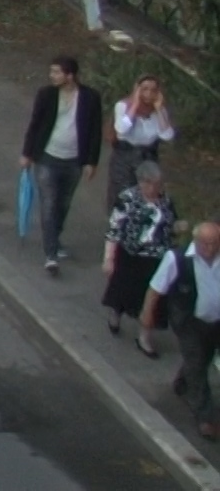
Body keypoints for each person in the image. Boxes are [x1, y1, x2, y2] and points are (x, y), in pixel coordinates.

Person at [18, 55, 104, 275]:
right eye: (52, 71)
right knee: (49, 203)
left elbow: (95, 131)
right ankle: (51, 254)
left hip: (73, 160)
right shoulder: (46, 95)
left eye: (57, 72)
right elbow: (35, 124)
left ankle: (55, 238)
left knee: (63, 204)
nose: (52, 76)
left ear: (70, 75)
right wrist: (27, 153)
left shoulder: (90, 98)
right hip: (48, 157)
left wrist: (91, 161)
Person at [142, 220, 220, 440]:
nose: (210, 249)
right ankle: (205, 416)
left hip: (216, 321)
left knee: (204, 356)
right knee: (197, 361)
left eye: (215, 243)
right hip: (188, 320)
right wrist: (147, 315)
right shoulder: (177, 258)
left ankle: (182, 381)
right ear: (196, 240)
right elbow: (155, 289)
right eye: (206, 243)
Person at [104, 161, 175, 354]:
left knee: (153, 300)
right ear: (142, 182)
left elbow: (170, 225)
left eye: (158, 184)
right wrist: (109, 258)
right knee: (123, 290)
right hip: (131, 255)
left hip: (156, 257)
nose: (155, 188)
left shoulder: (166, 200)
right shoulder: (127, 198)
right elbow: (114, 229)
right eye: (151, 184)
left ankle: (144, 337)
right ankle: (116, 313)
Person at [107, 74, 175, 209]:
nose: (148, 94)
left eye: (153, 90)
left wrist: (159, 109)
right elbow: (122, 129)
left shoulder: (159, 111)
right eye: (144, 89)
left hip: (148, 156)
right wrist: (135, 105)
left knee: (146, 196)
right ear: (137, 90)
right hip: (125, 156)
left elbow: (167, 135)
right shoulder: (123, 106)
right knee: (122, 196)